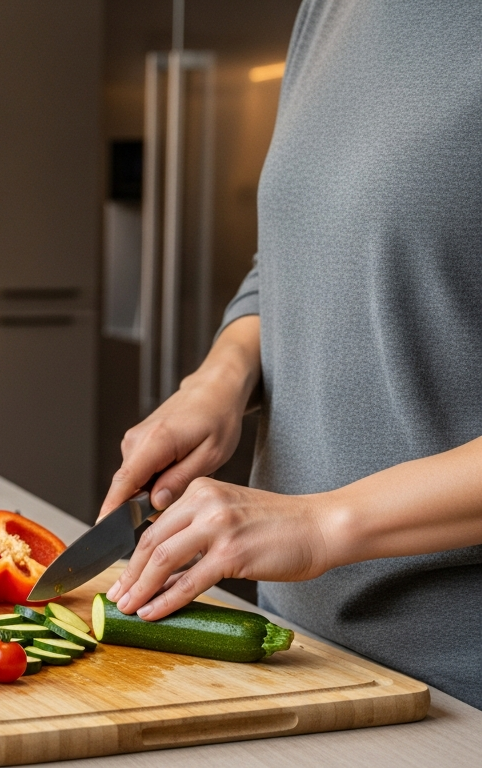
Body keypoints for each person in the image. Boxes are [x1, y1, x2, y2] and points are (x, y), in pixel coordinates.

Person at [100, 1, 482, 708]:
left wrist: (322, 522)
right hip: (303, 653)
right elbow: (301, 251)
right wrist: (219, 379)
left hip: (458, 688)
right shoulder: (334, 9)